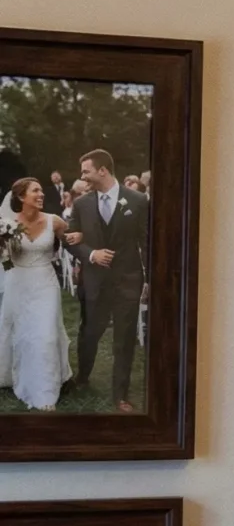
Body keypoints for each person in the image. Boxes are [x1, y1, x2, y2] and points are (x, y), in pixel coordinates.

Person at [65, 149, 149, 413]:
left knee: (124, 338)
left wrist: (149, 280)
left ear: (103, 170)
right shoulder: (81, 204)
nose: (82, 177)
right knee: (89, 333)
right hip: (94, 281)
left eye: (86, 171)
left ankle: (120, 394)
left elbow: (147, 242)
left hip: (127, 280)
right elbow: (69, 240)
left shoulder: (138, 200)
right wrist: (91, 253)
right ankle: (83, 377)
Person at [0, 178, 74, 410]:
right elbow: (5, 261)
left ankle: (44, 390)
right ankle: (11, 375)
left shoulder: (55, 221)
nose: (41, 194)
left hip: (45, 283)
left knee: (46, 335)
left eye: (42, 190)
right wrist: (5, 252)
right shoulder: (6, 224)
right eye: (36, 191)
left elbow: (71, 242)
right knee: (21, 332)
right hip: (18, 282)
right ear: (22, 197)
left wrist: (79, 239)